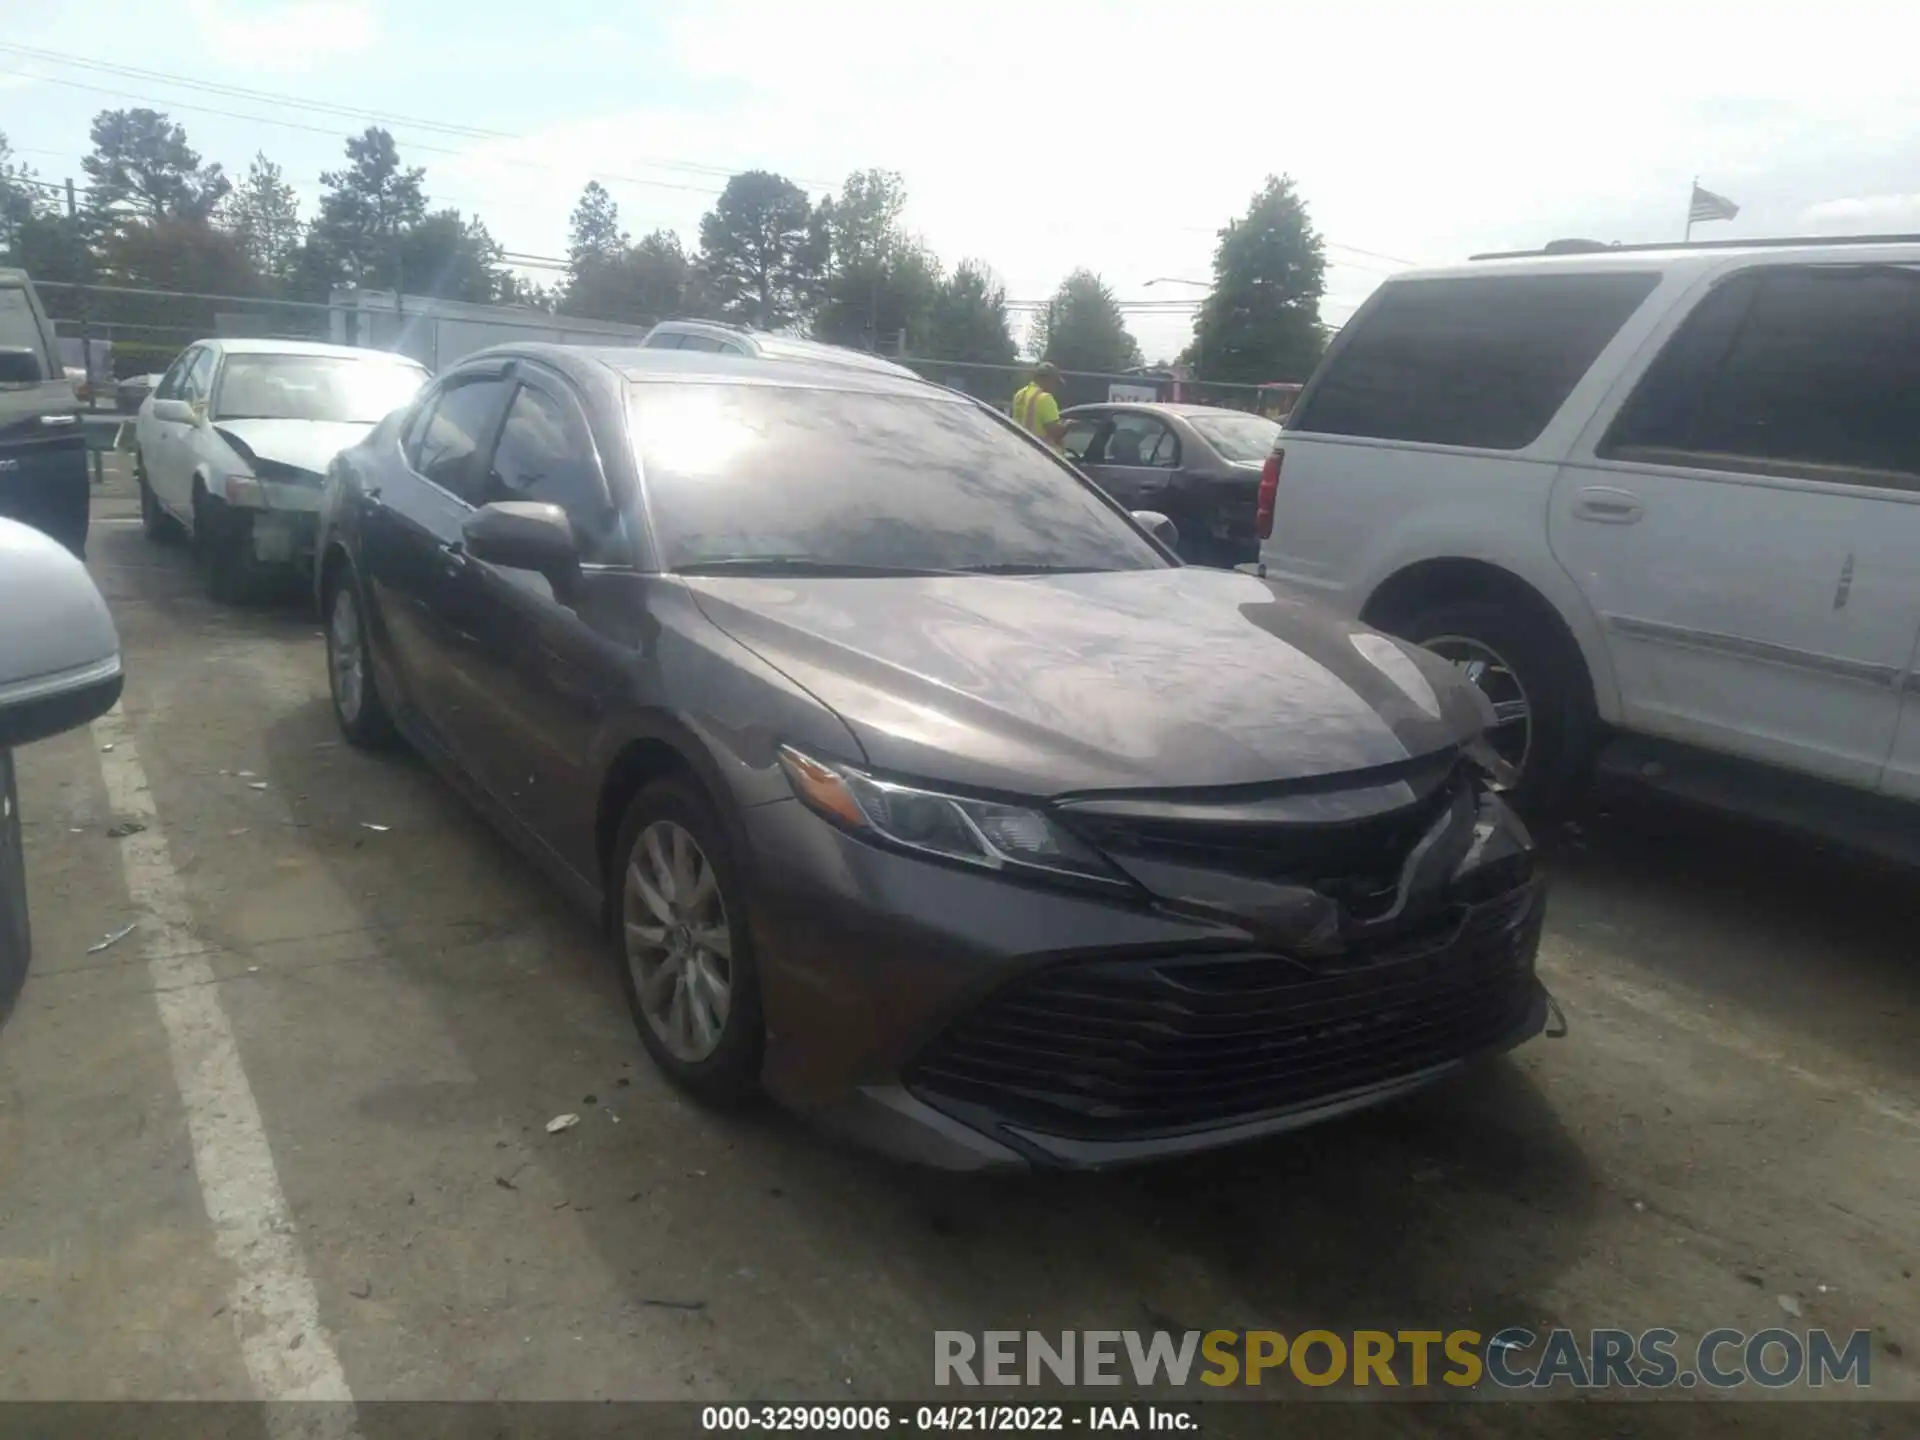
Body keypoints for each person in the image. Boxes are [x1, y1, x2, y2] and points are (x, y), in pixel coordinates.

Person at [1012, 362, 1067, 451]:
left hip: (1020, 449)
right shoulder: (1045, 398)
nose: (1055, 388)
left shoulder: (1020, 394)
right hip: (1041, 453)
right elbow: (1054, 432)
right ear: (1047, 379)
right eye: (1055, 383)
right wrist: (1067, 426)